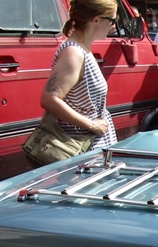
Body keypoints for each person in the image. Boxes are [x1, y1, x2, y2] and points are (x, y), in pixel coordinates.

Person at [40, 0, 118, 150]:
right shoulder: (73, 53)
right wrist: (92, 125)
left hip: (91, 146)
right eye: (112, 21)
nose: (114, 26)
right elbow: (49, 99)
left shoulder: (82, 49)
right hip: (82, 149)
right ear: (96, 20)